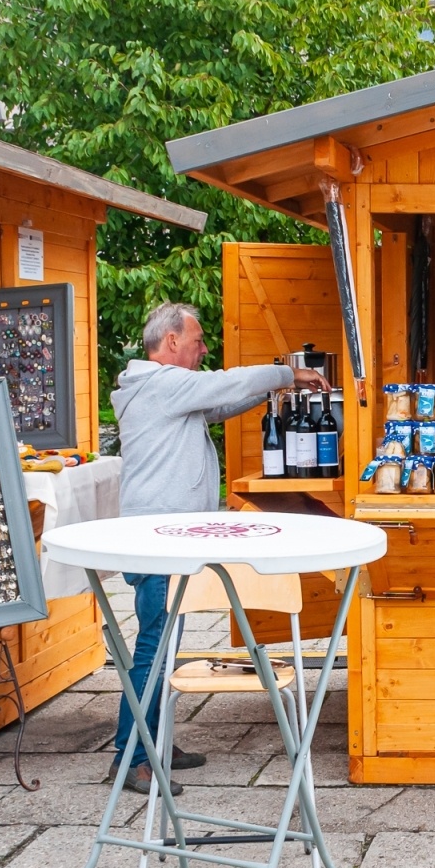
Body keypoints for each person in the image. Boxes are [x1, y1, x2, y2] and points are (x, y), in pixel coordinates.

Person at [108, 302, 329, 794]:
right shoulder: (162, 385)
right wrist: (288, 371)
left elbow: (223, 402)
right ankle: (133, 757)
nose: (204, 348)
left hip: (168, 539)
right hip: (158, 543)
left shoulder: (163, 390)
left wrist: (280, 387)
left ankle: (154, 740)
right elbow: (226, 383)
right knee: (154, 649)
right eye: (197, 340)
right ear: (169, 342)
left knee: (159, 646)